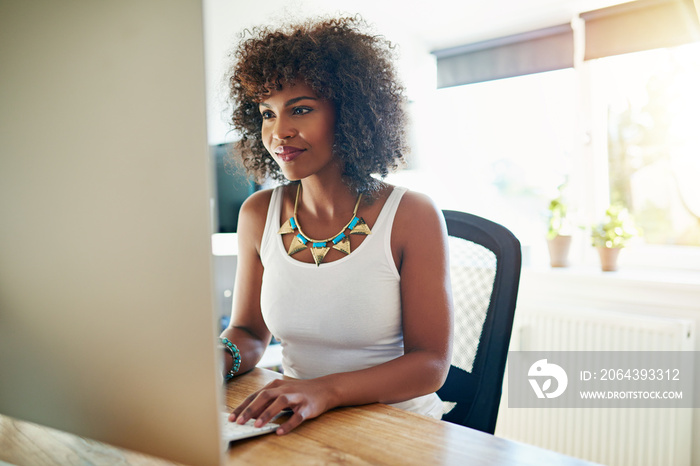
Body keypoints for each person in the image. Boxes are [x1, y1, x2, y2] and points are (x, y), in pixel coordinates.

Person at [219, 16, 453, 435]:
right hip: (298, 424)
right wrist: (218, 357)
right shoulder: (258, 214)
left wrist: (324, 390)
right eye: (267, 114)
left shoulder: (411, 215)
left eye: (301, 109)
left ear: (351, 114)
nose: (279, 132)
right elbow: (250, 332)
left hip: (400, 429)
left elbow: (430, 364)